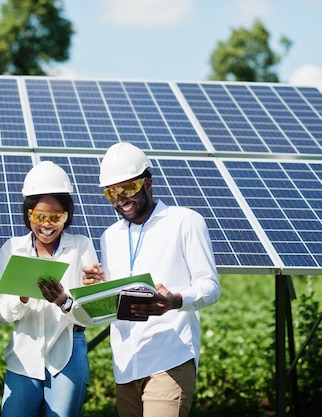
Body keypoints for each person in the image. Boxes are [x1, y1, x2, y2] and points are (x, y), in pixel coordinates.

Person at [82, 142, 221, 417]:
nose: (119, 199)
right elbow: (116, 299)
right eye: (111, 192)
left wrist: (175, 301)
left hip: (169, 357)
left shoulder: (185, 221)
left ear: (148, 183)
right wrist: (99, 288)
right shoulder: (109, 236)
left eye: (127, 189)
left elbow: (211, 286)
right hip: (125, 363)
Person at [0, 161, 98, 417]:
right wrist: (21, 296)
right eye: (39, 216)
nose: (47, 224)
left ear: (67, 215)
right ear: (28, 213)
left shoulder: (81, 246)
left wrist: (65, 300)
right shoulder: (13, 249)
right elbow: (2, 315)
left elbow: (89, 315)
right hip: (23, 353)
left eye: (57, 217)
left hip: (69, 349)